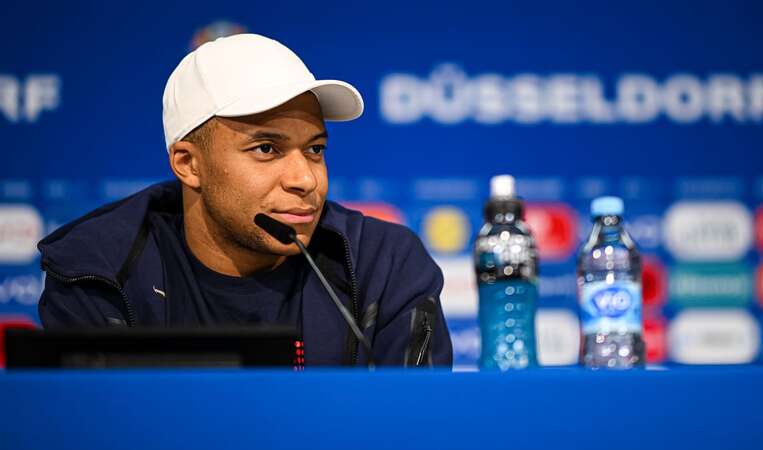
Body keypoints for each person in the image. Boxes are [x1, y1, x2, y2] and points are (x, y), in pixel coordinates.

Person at [37, 33, 452, 367]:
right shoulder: (96, 272)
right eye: (266, 149)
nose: (305, 179)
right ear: (188, 164)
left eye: (315, 149)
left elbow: (419, 426)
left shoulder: (383, 264)